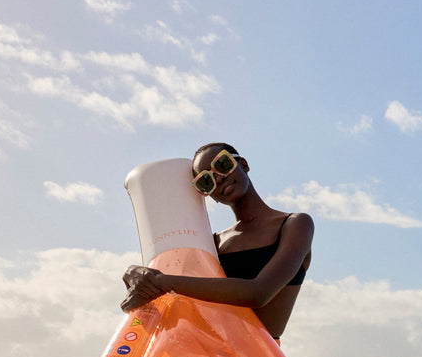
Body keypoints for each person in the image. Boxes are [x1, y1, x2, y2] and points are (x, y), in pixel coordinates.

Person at [121, 142, 313, 340]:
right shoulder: (212, 245)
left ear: (243, 164)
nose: (219, 179)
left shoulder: (296, 225)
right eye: (206, 181)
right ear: (207, 194)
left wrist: (161, 281)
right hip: (213, 356)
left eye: (222, 165)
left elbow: (259, 293)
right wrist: (133, 274)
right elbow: (171, 290)